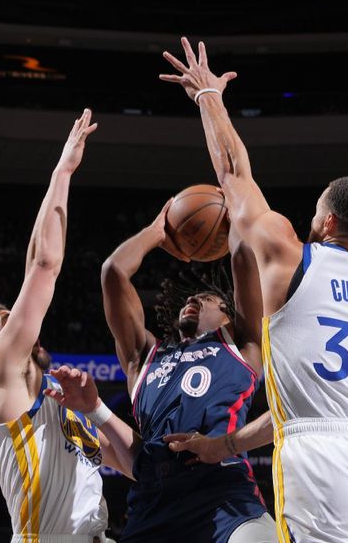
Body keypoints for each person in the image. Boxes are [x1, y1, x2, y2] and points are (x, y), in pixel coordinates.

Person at [160, 38, 348, 543]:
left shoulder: (292, 255)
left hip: (321, 461)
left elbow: (233, 174)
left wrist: (209, 98)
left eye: (316, 209)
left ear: (328, 220)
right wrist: (223, 447)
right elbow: (309, 408)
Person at [0, 110, 134, 543]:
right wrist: (63, 171)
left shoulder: (61, 400)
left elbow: (133, 465)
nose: (20, 324)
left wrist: (95, 411)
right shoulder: (0, 376)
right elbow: (44, 264)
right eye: (6, 321)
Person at [90, 203, 275, 543]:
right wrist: (155, 233)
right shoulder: (144, 356)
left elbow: (244, 258)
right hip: (154, 500)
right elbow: (113, 271)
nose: (192, 298)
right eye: (190, 297)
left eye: (205, 298)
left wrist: (232, 220)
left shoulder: (240, 343)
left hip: (222, 491)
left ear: (228, 314)